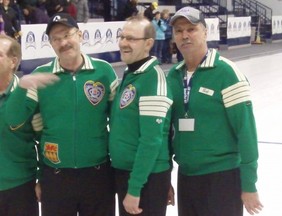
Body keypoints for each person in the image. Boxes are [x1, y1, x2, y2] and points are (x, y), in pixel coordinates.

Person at [6, 13, 118, 216]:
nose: (63, 42)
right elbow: (13, 121)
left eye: (67, 35)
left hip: (98, 174)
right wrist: (21, 88)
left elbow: (119, 123)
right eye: (56, 39)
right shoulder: (41, 76)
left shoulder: (104, 72)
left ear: (80, 35)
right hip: (55, 177)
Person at [167, 6, 263, 216]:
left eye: (191, 29)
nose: (185, 35)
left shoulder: (227, 73)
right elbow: (165, 133)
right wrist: (166, 178)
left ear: (205, 32)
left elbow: (246, 132)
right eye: (179, 31)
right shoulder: (172, 77)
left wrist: (249, 184)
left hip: (222, 177)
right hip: (187, 177)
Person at [109, 14, 173, 216]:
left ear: (148, 44)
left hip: (146, 179)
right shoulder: (132, 75)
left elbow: (151, 141)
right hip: (128, 173)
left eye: (131, 39)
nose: (124, 43)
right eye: (122, 37)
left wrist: (135, 188)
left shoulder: (153, 79)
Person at [0, 34, 40, 216]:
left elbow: (44, 139)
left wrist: (42, 178)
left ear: (13, 61)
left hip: (20, 187)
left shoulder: (28, 97)